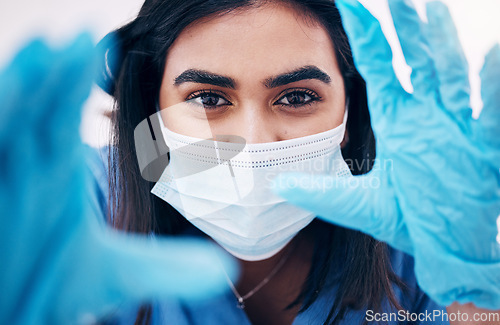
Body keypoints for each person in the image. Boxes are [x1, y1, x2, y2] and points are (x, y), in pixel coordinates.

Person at [0, 0, 498, 324]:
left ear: (350, 111)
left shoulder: (418, 224)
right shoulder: (71, 203)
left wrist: (476, 285)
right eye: (209, 99)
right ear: (152, 107)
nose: (255, 143)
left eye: (298, 96)